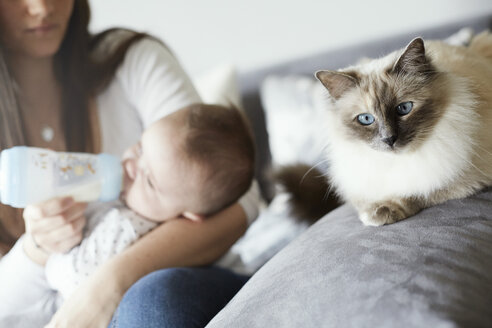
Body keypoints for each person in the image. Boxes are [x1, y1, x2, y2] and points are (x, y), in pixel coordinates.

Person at [0, 1, 260, 327]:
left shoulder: (131, 61)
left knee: (150, 298)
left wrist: (113, 282)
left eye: (149, 179)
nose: (41, 7)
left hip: (185, 285)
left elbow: (239, 197)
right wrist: (37, 249)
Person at [0, 103, 255, 326]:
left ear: (190, 215)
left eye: (150, 182)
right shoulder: (127, 204)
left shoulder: (131, 227)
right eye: (141, 148)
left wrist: (55, 254)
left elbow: (74, 277)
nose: (131, 165)